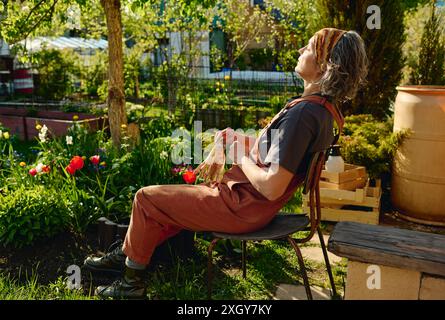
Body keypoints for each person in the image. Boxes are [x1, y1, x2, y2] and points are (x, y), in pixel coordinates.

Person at [83, 27, 369, 299]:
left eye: (308, 47)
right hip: (248, 205)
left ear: (322, 65)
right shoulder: (322, 110)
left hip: (241, 207)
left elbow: (271, 186)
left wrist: (240, 156)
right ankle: (127, 257)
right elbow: (274, 154)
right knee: (167, 200)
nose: (300, 49)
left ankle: (131, 283)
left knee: (145, 199)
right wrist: (233, 138)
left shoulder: (303, 115)